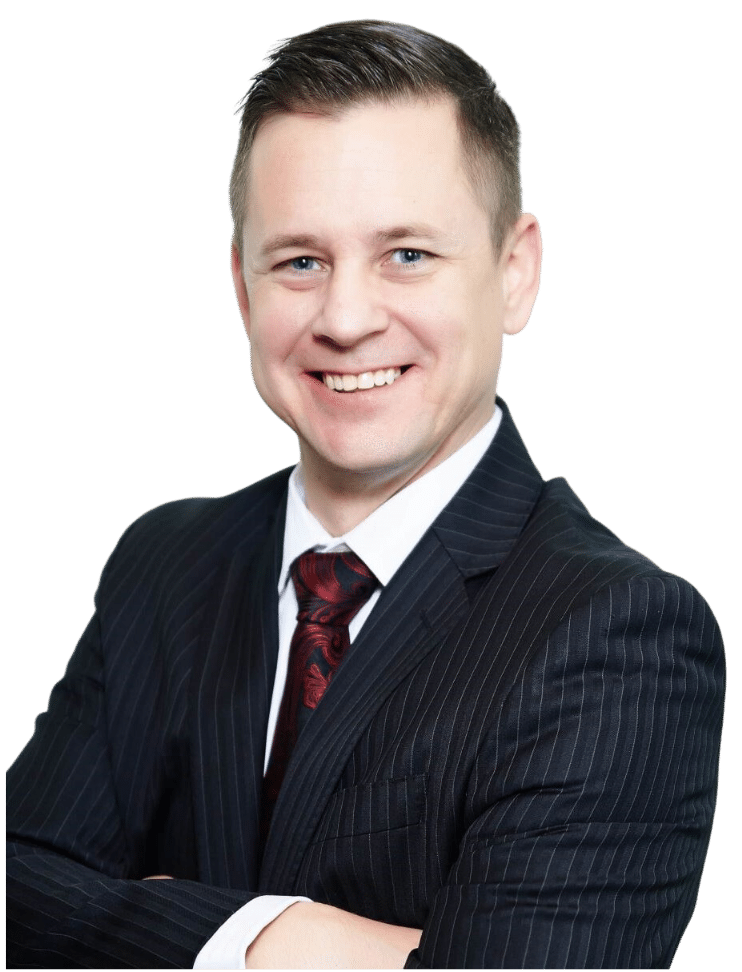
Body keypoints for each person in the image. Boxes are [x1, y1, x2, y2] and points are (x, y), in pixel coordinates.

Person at [6, 19, 725, 971]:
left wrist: (150, 919)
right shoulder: (163, 564)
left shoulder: (621, 631)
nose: (345, 318)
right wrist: (280, 940)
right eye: (299, 261)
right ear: (241, 288)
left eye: (408, 256)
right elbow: (16, 887)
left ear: (516, 273)